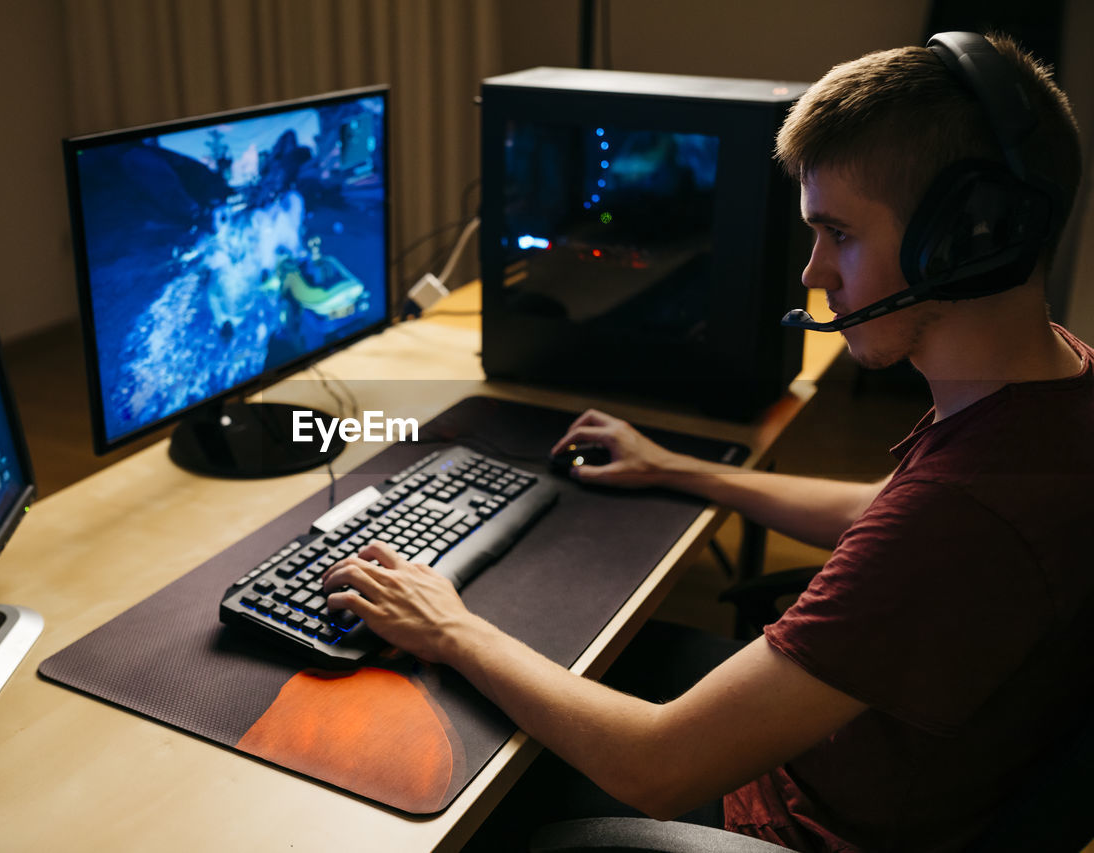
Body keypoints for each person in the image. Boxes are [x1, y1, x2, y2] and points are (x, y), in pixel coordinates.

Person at [322, 32, 1093, 852]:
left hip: (797, 819)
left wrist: (447, 625)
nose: (812, 274)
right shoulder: (1056, 387)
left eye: (839, 234)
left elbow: (658, 769)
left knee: (426, 777)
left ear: (969, 239)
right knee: (565, 661)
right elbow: (885, 512)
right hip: (862, 761)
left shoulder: (963, 514)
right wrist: (680, 469)